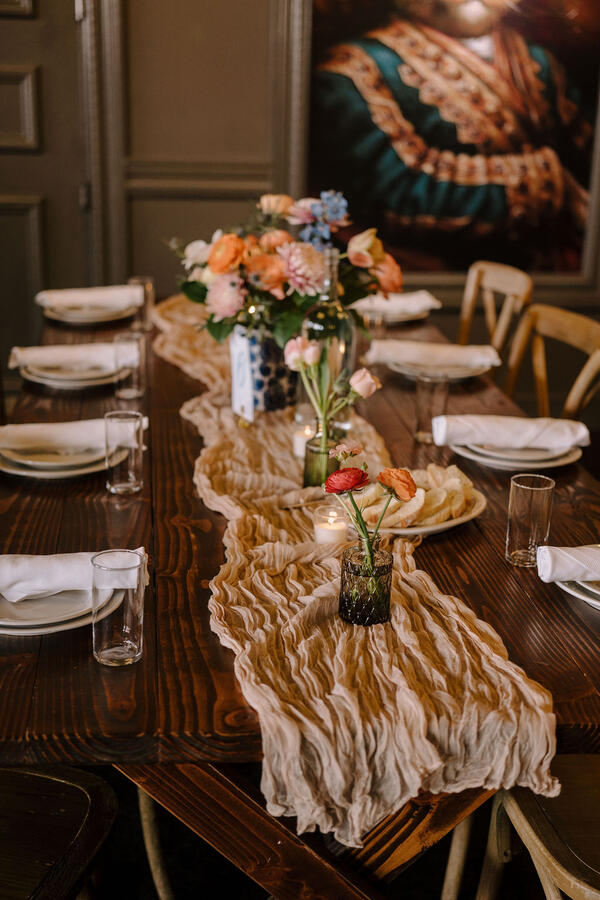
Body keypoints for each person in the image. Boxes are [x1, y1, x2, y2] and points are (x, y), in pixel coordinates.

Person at [311, 0, 594, 271]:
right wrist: (547, 183)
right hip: (433, 273)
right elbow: (395, 195)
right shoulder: (355, 69)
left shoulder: (540, 62)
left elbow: (584, 161)